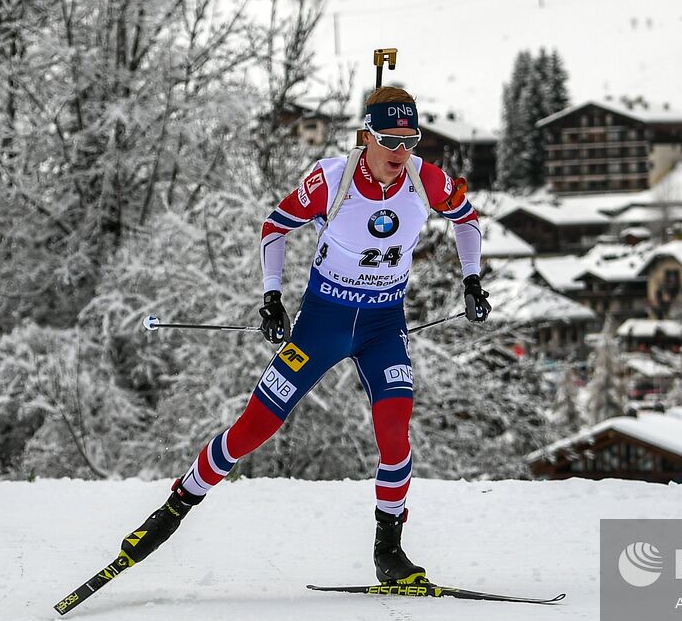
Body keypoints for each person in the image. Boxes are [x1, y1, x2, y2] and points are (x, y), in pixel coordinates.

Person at [116, 86, 490, 584]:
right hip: (322, 323)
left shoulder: (427, 180)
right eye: (389, 139)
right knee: (254, 427)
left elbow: (467, 220)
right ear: (366, 136)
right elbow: (274, 227)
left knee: (395, 432)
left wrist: (472, 279)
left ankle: (389, 552)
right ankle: (172, 509)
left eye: (410, 140)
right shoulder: (331, 181)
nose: (400, 153)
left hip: (382, 327)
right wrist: (272, 297)